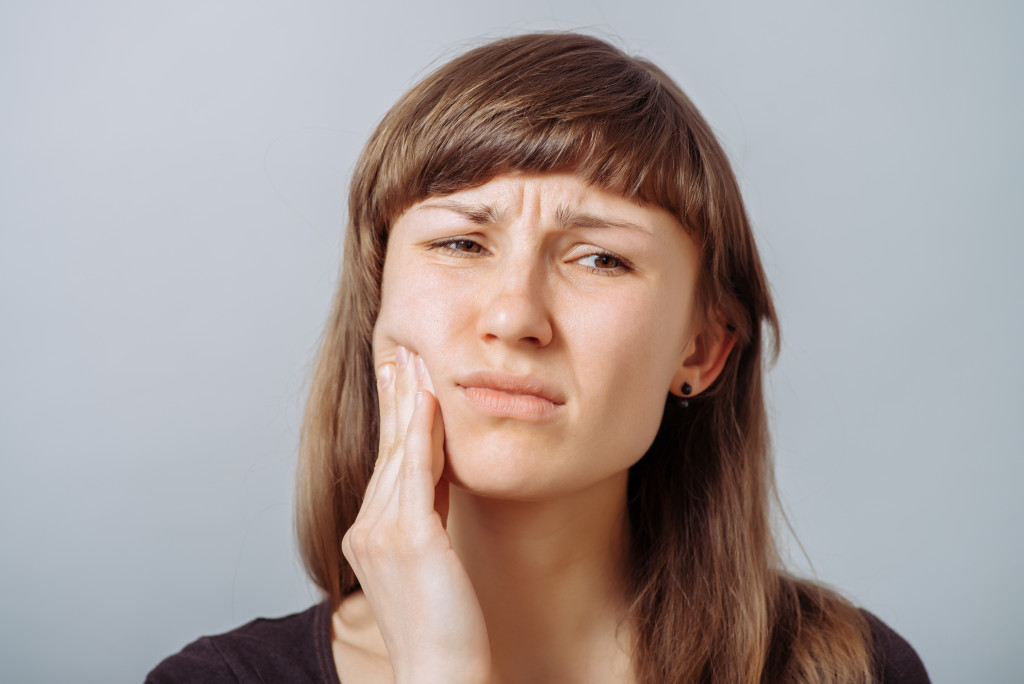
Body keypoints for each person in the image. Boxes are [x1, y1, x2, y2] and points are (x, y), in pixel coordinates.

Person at [147, 32, 930, 683]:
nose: (515, 316)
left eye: (600, 260)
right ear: (378, 307)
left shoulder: (854, 671)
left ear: (703, 348)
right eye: (460, 242)